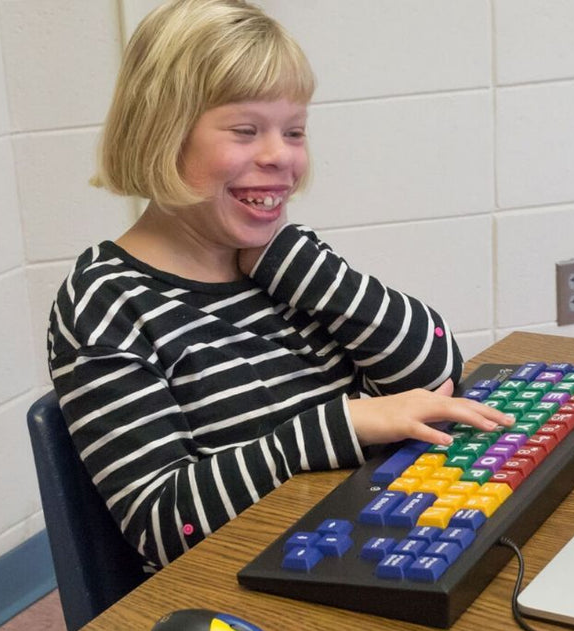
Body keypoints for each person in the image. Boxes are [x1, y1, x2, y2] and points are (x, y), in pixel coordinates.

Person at [46, 0, 511, 569]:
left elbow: (434, 375)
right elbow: (165, 524)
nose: (279, 156)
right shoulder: (105, 302)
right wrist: (340, 425)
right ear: (162, 133)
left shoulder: (287, 263)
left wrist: (292, 261)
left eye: (294, 131)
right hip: (244, 582)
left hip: (360, 540)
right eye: (245, 130)